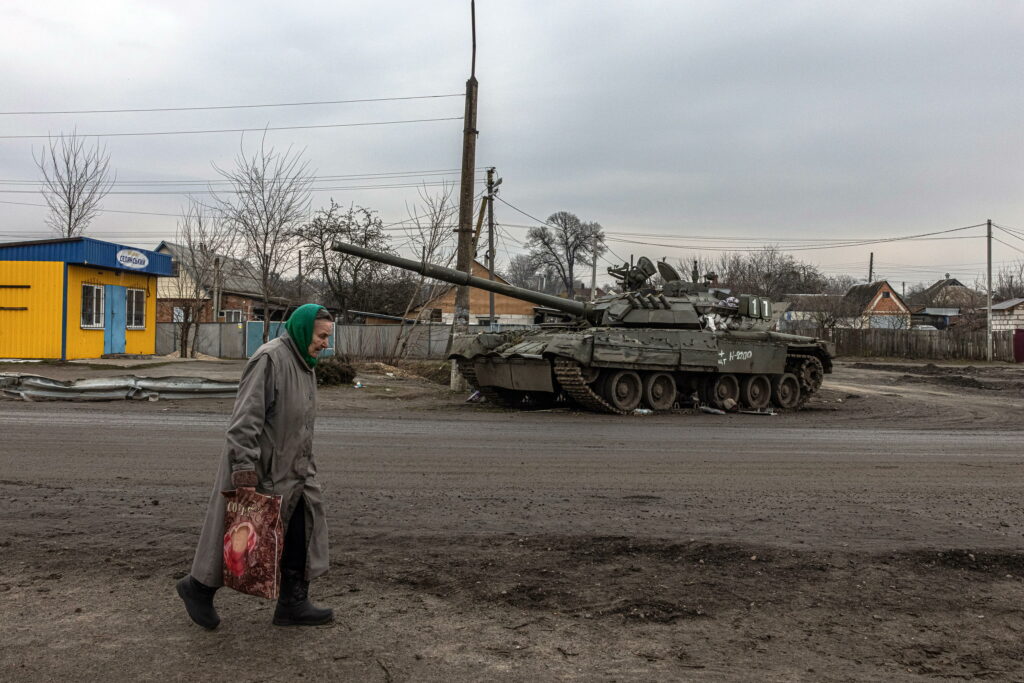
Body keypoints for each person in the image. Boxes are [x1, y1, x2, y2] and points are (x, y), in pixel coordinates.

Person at [176, 304, 335, 629]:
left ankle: (293, 604)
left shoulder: (306, 364)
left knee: (300, 530)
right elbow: (244, 421)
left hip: (296, 469)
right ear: (305, 330)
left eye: (328, 337)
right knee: (240, 536)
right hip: (263, 468)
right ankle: (198, 588)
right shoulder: (270, 359)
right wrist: (244, 470)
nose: (325, 344)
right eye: (322, 336)